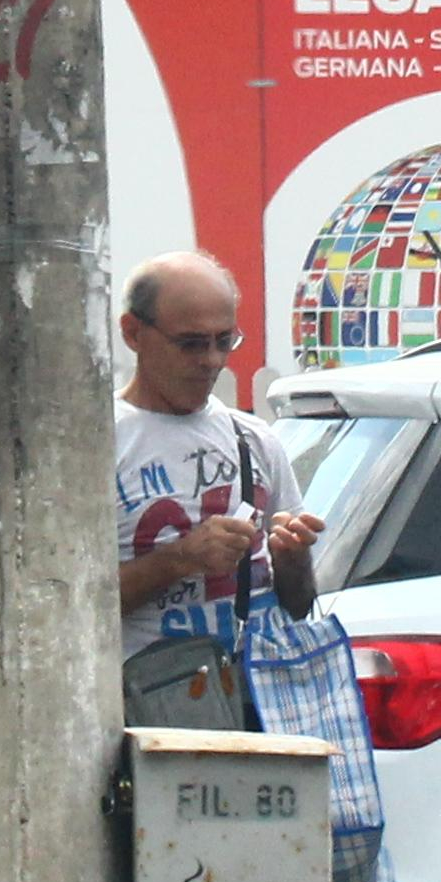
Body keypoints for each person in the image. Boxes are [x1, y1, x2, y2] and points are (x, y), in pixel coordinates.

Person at [117, 249, 322, 681]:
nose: (211, 360)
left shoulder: (253, 439)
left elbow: (299, 604)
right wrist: (179, 559)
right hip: (148, 705)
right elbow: (62, 607)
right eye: (191, 343)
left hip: (252, 698)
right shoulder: (100, 446)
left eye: (224, 341)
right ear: (133, 333)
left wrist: (292, 558)